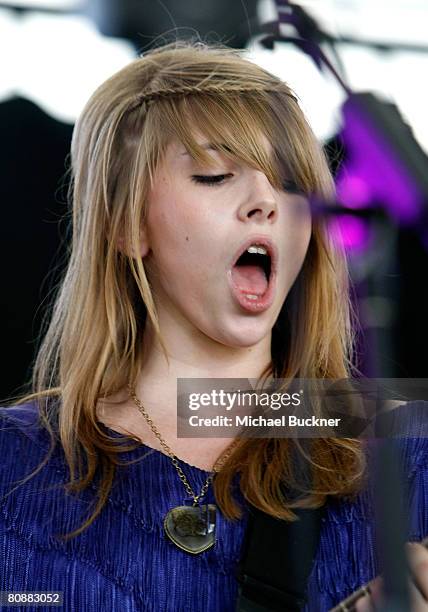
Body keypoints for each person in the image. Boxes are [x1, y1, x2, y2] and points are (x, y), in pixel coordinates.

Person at [0, 41, 427, 612]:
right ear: (127, 225)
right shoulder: (14, 461)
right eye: (215, 174)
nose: (265, 201)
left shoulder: (407, 452)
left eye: (290, 180)